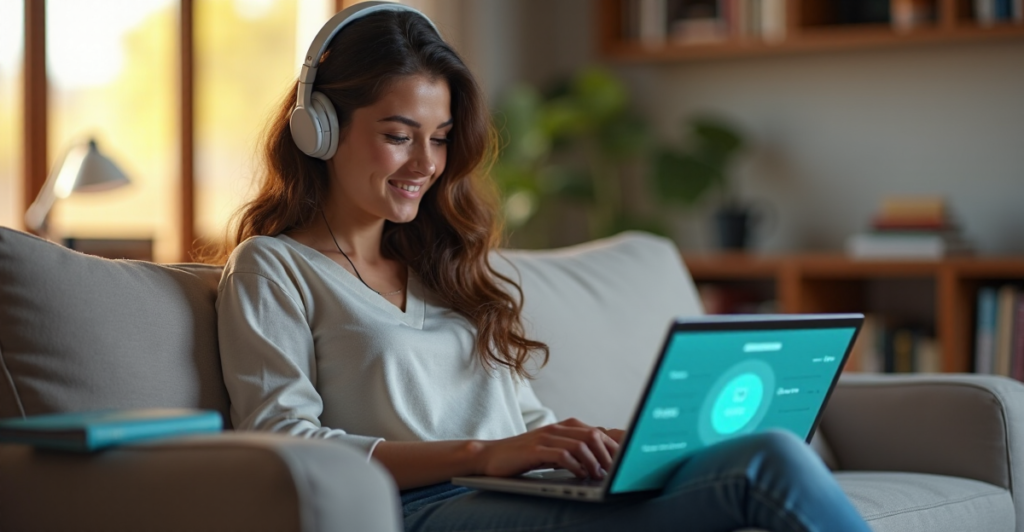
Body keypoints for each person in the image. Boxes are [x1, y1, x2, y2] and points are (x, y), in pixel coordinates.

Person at [216, 3, 872, 531]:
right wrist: (483, 456)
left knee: (755, 451)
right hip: (419, 509)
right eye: (398, 135)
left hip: (520, 494)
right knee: (765, 463)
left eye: (440, 139)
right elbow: (284, 439)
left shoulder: (444, 264)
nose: (426, 165)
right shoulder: (274, 268)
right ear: (319, 129)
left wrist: (585, 447)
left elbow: (517, 419)